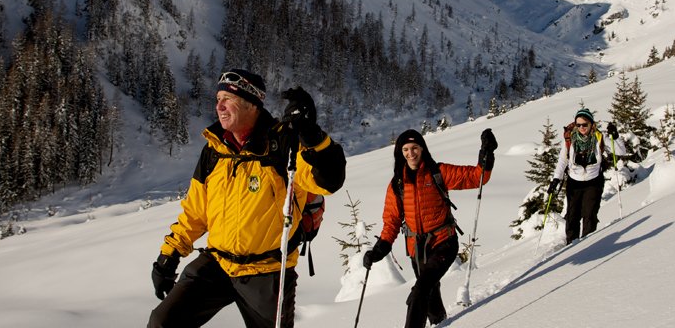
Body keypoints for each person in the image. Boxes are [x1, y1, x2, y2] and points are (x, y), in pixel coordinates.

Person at [148, 69, 346, 328]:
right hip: (217, 264)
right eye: (218, 98)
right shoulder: (214, 150)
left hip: (267, 272)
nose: (219, 106)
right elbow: (195, 213)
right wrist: (169, 255)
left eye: (227, 99)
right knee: (162, 322)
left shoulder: (283, 145)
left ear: (251, 104)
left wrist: (312, 135)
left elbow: (329, 181)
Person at [362, 129, 497, 328]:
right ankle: (440, 322)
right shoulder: (397, 184)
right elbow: (391, 221)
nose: (411, 153)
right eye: (405, 149)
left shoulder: (438, 172)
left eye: (415, 148)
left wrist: (487, 153)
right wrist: (380, 248)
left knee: (421, 290)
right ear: (400, 152)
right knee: (429, 290)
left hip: (444, 242)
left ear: (423, 149)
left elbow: (477, 177)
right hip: (417, 250)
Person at [547, 108, 624, 245]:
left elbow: (620, 151)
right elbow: (563, 160)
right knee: (572, 216)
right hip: (574, 182)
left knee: (589, 216)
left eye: (585, 124)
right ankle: (571, 246)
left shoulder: (599, 137)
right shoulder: (570, 138)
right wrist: (556, 179)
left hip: (593, 182)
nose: (581, 127)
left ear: (591, 124)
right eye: (578, 125)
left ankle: (588, 246)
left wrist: (615, 136)